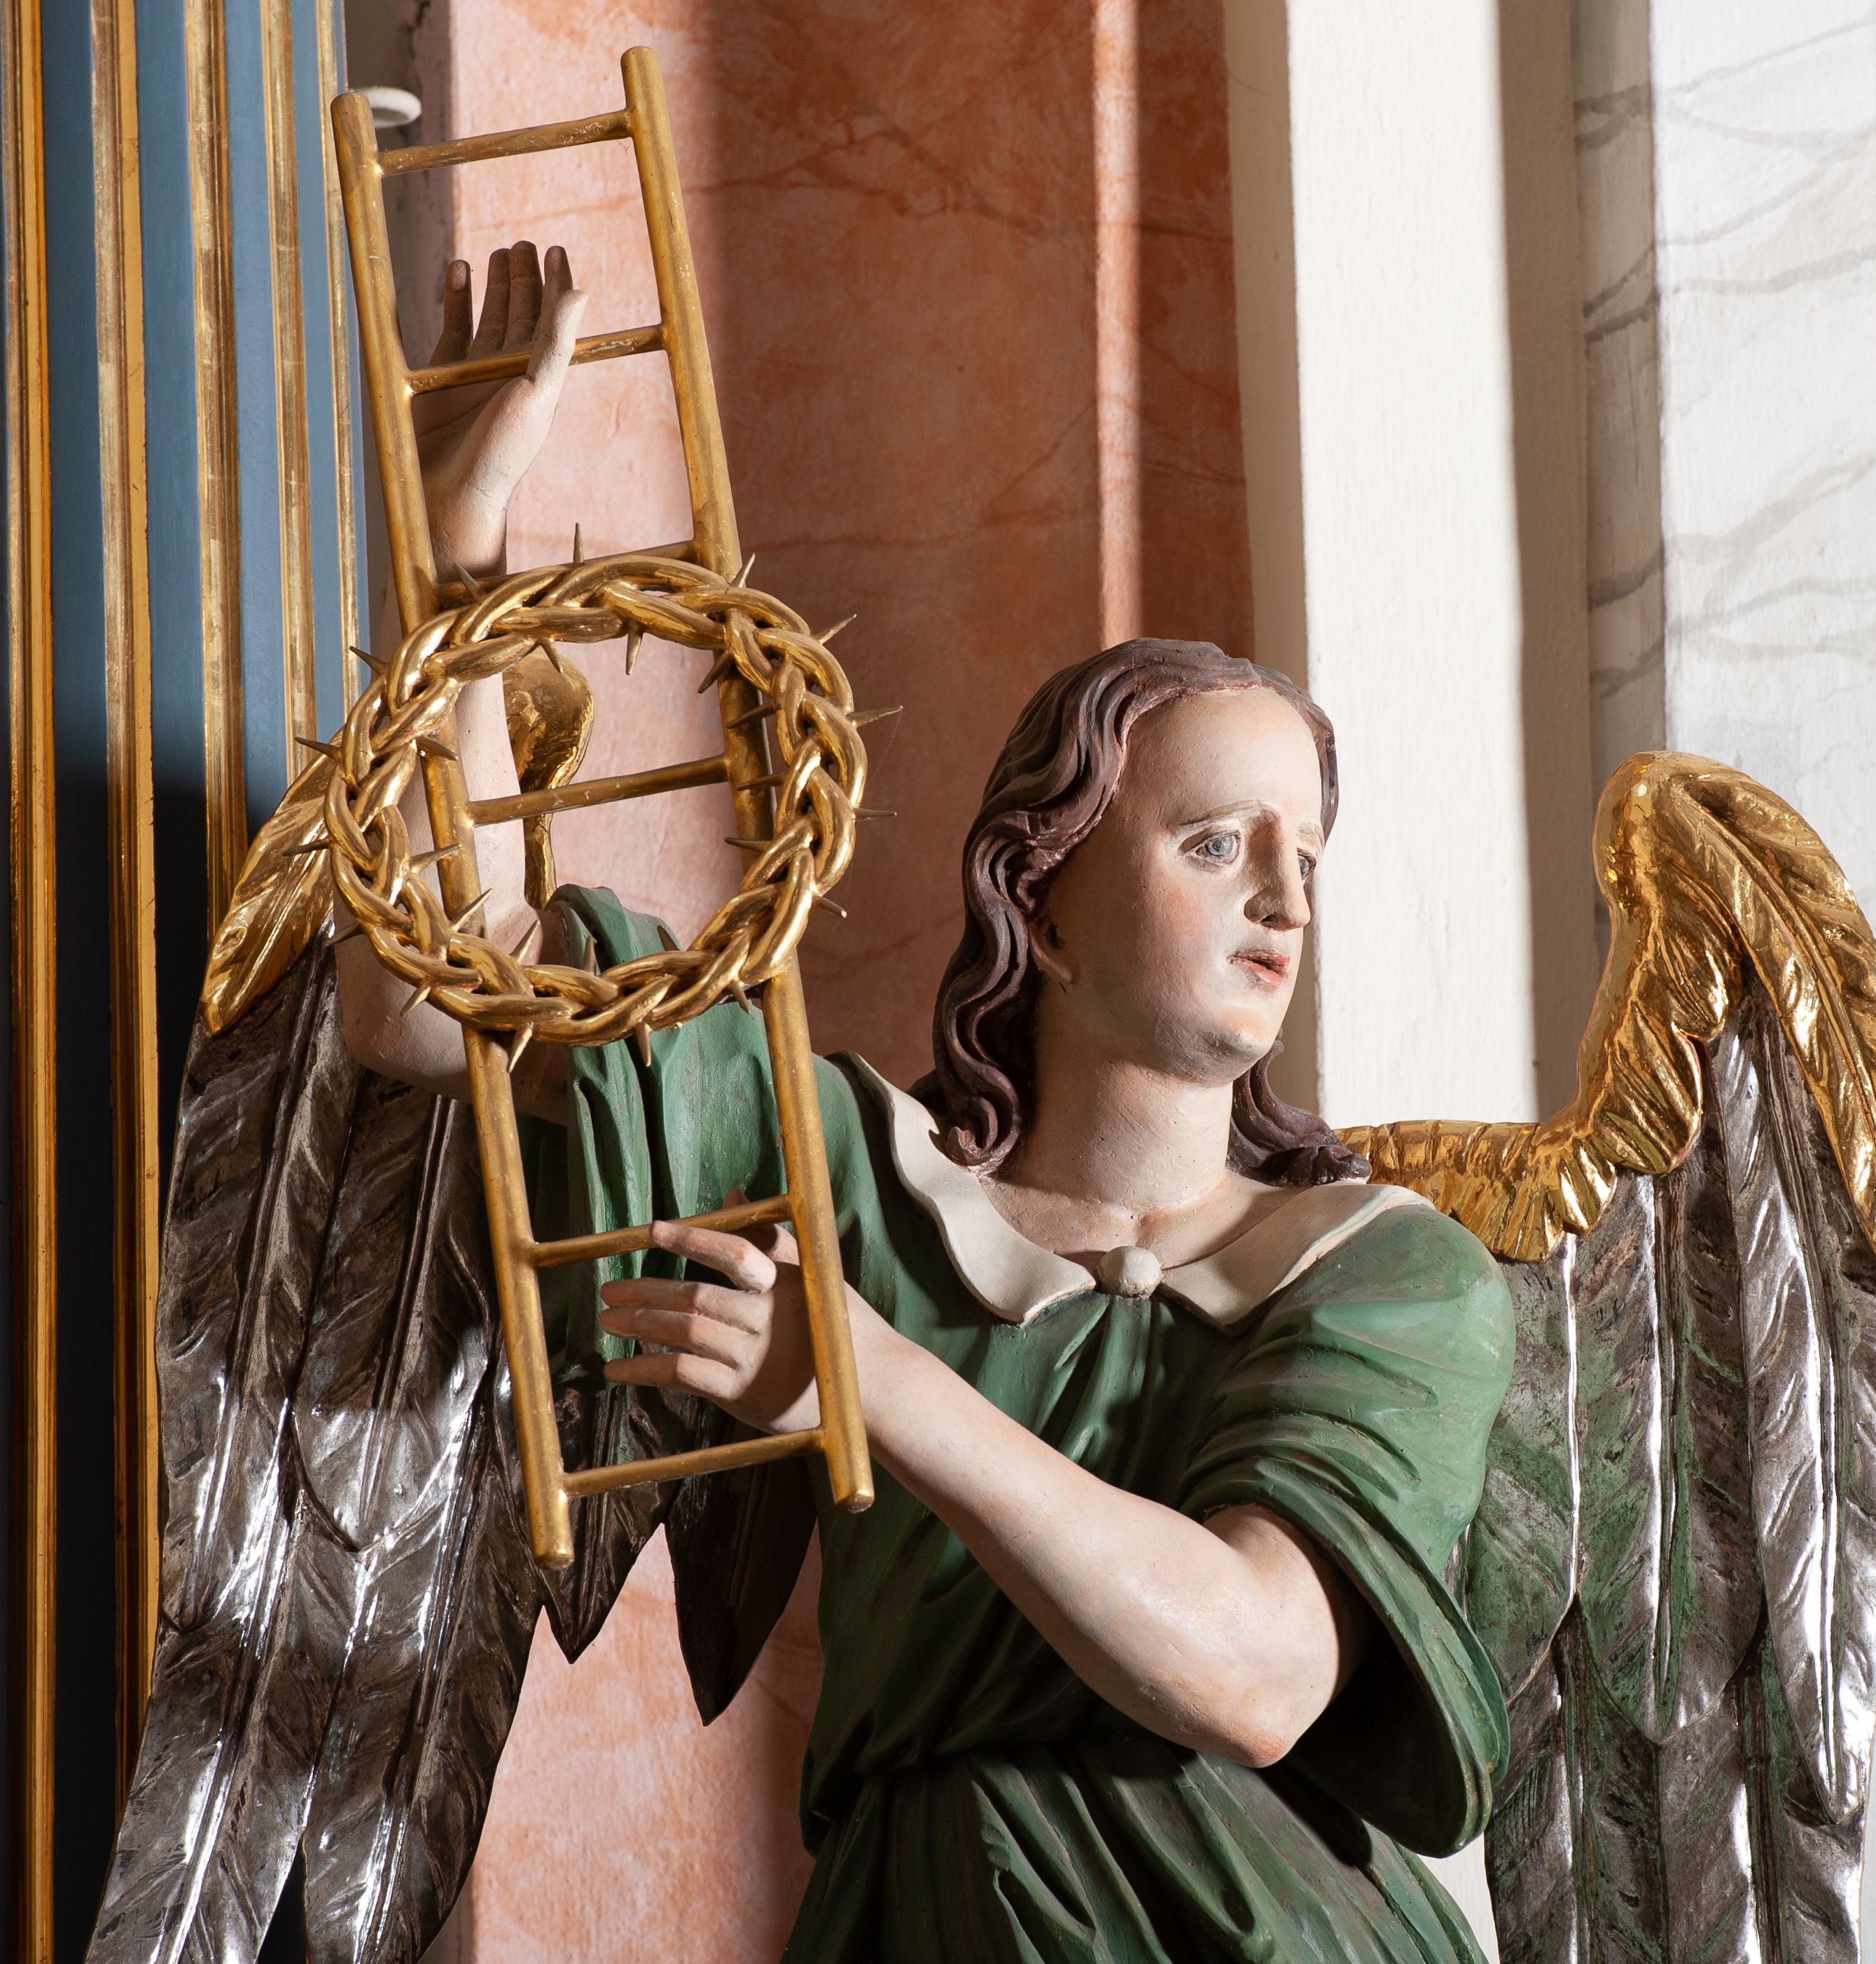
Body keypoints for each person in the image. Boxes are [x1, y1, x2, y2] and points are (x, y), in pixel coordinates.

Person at [338, 242, 1515, 1964]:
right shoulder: (853, 1182)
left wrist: (865, 1374)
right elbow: (438, 999)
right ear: (1041, 897)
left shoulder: (1383, 1274)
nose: (1282, 898)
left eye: (1305, 857)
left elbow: (1256, 1671)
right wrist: (455, 569)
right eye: (1213, 844)